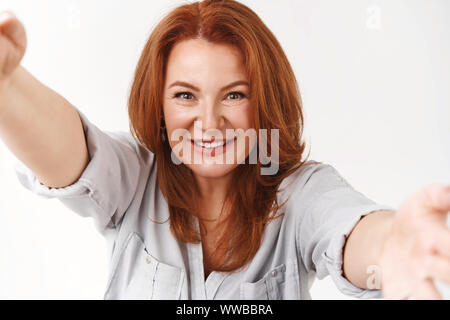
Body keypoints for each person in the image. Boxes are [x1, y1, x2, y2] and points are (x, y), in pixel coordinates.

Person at [0, 0, 449, 300]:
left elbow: (349, 226)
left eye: (234, 95)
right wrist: (8, 83)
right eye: (185, 96)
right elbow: (70, 154)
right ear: (158, 104)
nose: (209, 123)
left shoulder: (302, 193)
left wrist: (394, 244)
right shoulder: (134, 177)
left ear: (264, 102)